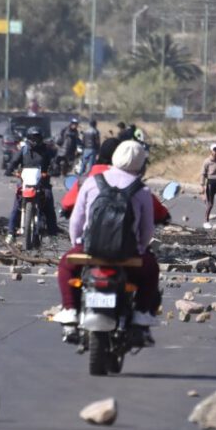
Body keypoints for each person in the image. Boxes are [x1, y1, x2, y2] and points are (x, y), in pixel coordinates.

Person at [55, 138, 171, 326]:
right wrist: (140, 249)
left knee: (65, 266)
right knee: (151, 270)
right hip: (127, 251)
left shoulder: (92, 181)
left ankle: (69, 309)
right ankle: (141, 312)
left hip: (90, 249)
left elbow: (77, 219)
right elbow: (147, 229)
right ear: (141, 163)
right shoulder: (142, 190)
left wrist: (78, 243)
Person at [4, 126, 60, 241]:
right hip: (25, 184)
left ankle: (53, 234)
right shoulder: (23, 150)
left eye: (37, 137)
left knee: (49, 202)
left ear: (41, 138)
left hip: (42, 184)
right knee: (16, 206)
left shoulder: (46, 150)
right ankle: (10, 233)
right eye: (32, 137)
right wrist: (10, 170)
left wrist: (51, 172)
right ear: (28, 138)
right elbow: (13, 162)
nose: (35, 140)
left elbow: (54, 165)